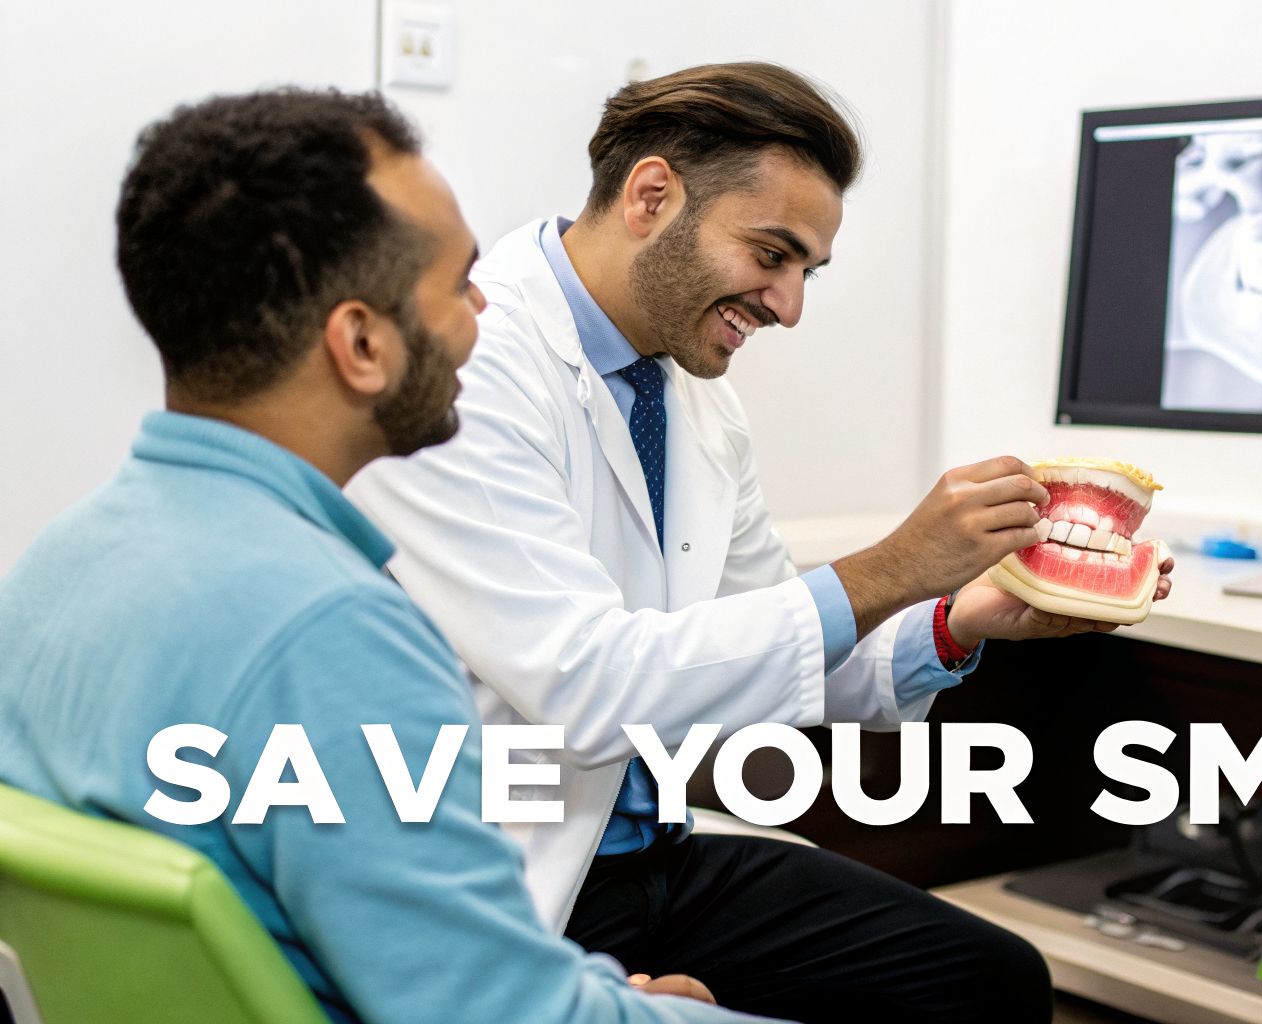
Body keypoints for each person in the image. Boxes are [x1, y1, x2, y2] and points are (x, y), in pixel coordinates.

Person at [348, 61, 1175, 1023]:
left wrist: (955, 620)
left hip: (647, 855)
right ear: (652, 196)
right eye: (771, 255)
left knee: (989, 977)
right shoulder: (472, 367)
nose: (788, 307)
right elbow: (589, 688)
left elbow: (765, 639)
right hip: (507, 885)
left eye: (806, 273)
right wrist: (895, 564)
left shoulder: (697, 398)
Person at [0, 89, 773, 1024]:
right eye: (457, 283)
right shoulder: (335, 633)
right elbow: (497, 1015)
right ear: (362, 343)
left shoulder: (57, 567)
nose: (484, 308)